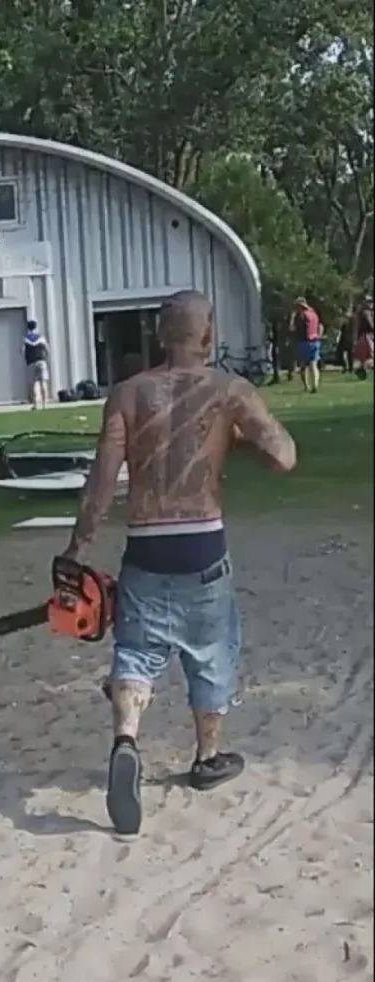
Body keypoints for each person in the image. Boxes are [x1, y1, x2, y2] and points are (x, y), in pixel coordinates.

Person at [61, 289, 296, 837]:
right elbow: (283, 456)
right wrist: (234, 439)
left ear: (160, 336)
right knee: (211, 648)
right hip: (202, 541)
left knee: (137, 649)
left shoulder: (126, 394)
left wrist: (78, 546)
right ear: (208, 335)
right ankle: (207, 758)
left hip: (146, 540)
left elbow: (101, 482)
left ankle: (126, 740)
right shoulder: (229, 389)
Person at [290, 296, 322, 393]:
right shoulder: (314, 314)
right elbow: (320, 326)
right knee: (314, 364)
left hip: (303, 342)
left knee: (303, 366)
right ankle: (315, 384)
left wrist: (292, 318)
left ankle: (306, 386)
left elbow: (292, 329)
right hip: (315, 341)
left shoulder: (301, 316)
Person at [22, 319, 50, 410]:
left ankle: (35, 405)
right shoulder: (41, 337)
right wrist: (45, 357)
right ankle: (45, 404)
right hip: (41, 361)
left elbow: (22, 350)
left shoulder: (26, 338)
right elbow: (47, 348)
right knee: (43, 382)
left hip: (31, 362)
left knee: (34, 384)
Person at [353, 299, 374, 377]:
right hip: (367, 336)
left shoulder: (360, 313)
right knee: (369, 354)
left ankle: (362, 370)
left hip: (363, 337)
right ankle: (362, 370)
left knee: (364, 356)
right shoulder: (366, 313)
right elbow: (371, 325)